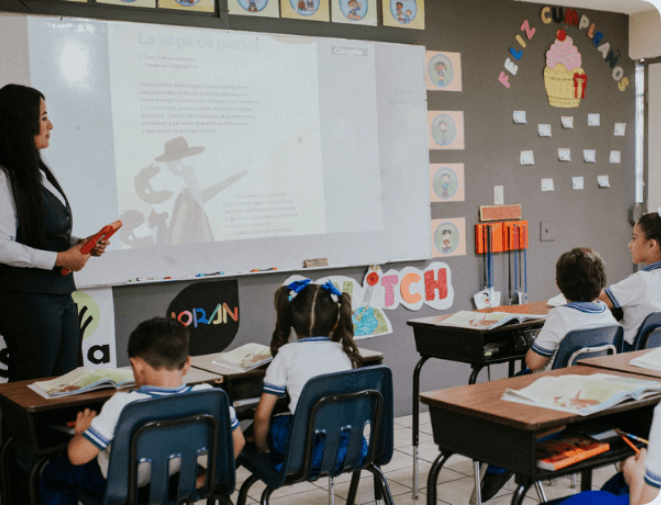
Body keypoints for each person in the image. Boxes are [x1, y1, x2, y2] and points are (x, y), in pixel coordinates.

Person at [39, 317, 245, 505]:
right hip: (172, 481)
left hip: (117, 487)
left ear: (136, 366)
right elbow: (238, 442)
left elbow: (78, 456)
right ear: (187, 364)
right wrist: (207, 476)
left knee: (54, 473)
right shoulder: (210, 397)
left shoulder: (124, 404)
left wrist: (82, 432)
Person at [0, 83, 108, 383]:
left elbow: (43, 232)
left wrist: (81, 244)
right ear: (22, 123)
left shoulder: (36, 172)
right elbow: (1, 246)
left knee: (67, 383)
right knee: (34, 387)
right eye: (43, 116)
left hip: (61, 295)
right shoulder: (2, 177)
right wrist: (61, 257)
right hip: (28, 301)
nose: (50, 125)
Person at [250, 278, 365, 468]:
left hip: (305, 453)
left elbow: (262, 416)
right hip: (349, 449)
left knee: (272, 425)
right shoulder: (345, 354)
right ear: (335, 323)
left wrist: (263, 449)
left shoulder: (286, 355)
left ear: (291, 319)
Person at [526, 247, 619, 371]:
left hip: (556, 385)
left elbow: (534, 363)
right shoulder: (606, 312)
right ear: (601, 284)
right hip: (591, 382)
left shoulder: (559, 316)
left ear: (558, 285)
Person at [599, 212, 661, 351]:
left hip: (628, 352)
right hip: (654, 353)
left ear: (651, 245)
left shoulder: (642, 281)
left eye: (634, 238)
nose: (630, 245)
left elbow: (599, 300)